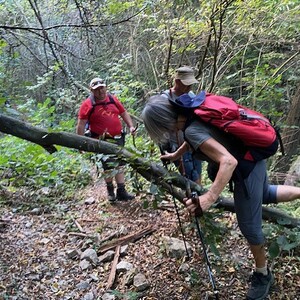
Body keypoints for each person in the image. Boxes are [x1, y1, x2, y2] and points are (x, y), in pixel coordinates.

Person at [141, 94, 300, 300]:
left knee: (250, 227)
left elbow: (228, 161)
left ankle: (263, 274)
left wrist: (209, 197)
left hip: (245, 169)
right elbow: (197, 139)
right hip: (254, 158)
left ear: (164, 122)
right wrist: (175, 155)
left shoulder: (190, 129)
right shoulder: (191, 114)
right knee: (265, 193)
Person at [76, 77, 136, 203]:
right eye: (97, 89)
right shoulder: (87, 104)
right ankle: (110, 191)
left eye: (102, 87)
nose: (101, 91)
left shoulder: (113, 99)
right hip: (100, 140)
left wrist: (130, 126)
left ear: (106, 87)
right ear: (92, 90)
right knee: (108, 165)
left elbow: (123, 113)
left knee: (120, 163)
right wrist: (80, 143)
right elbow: (81, 124)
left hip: (118, 137)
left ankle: (121, 191)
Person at [161, 66, 202, 185]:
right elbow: (162, 124)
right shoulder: (165, 98)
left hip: (193, 142)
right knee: (190, 178)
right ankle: (195, 200)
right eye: (186, 84)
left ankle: (198, 200)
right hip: (177, 143)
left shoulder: (191, 95)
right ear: (177, 82)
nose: (189, 87)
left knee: (197, 174)